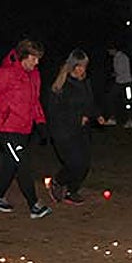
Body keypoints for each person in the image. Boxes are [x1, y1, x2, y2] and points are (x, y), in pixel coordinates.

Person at [0, 39, 51, 219]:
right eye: (33, 58)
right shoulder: (5, 73)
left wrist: (41, 123)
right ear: (23, 56)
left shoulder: (34, 75)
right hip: (5, 128)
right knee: (22, 164)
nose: (37, 62)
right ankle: (34, 205)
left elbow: (34, 101)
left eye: (38, 59)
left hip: (24, 129)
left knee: (11, 163)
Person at [47, 50, 104, 205]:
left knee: (84, 164)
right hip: (63, 131)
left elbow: (89, 103)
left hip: (81, 131)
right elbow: (56, 111)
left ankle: (72, 190)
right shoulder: (62, 85)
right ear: (71, 65)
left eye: (84, 66)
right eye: (78, 66)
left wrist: (97, 115)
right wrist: (77, 118)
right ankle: (58, 181)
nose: (81, 70)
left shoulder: (85, 82)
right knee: (74, 163)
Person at [102, 43, 132, 128]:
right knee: (110, 98)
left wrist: (113, 74)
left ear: (113, 49)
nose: (109, 52)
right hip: (119, 82)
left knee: (128, 102)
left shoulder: (122, 57)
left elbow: (121, 71)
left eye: (109, 50)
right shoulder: (116, 58)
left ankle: (130, 120)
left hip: (126, 83)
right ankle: (113, 119)